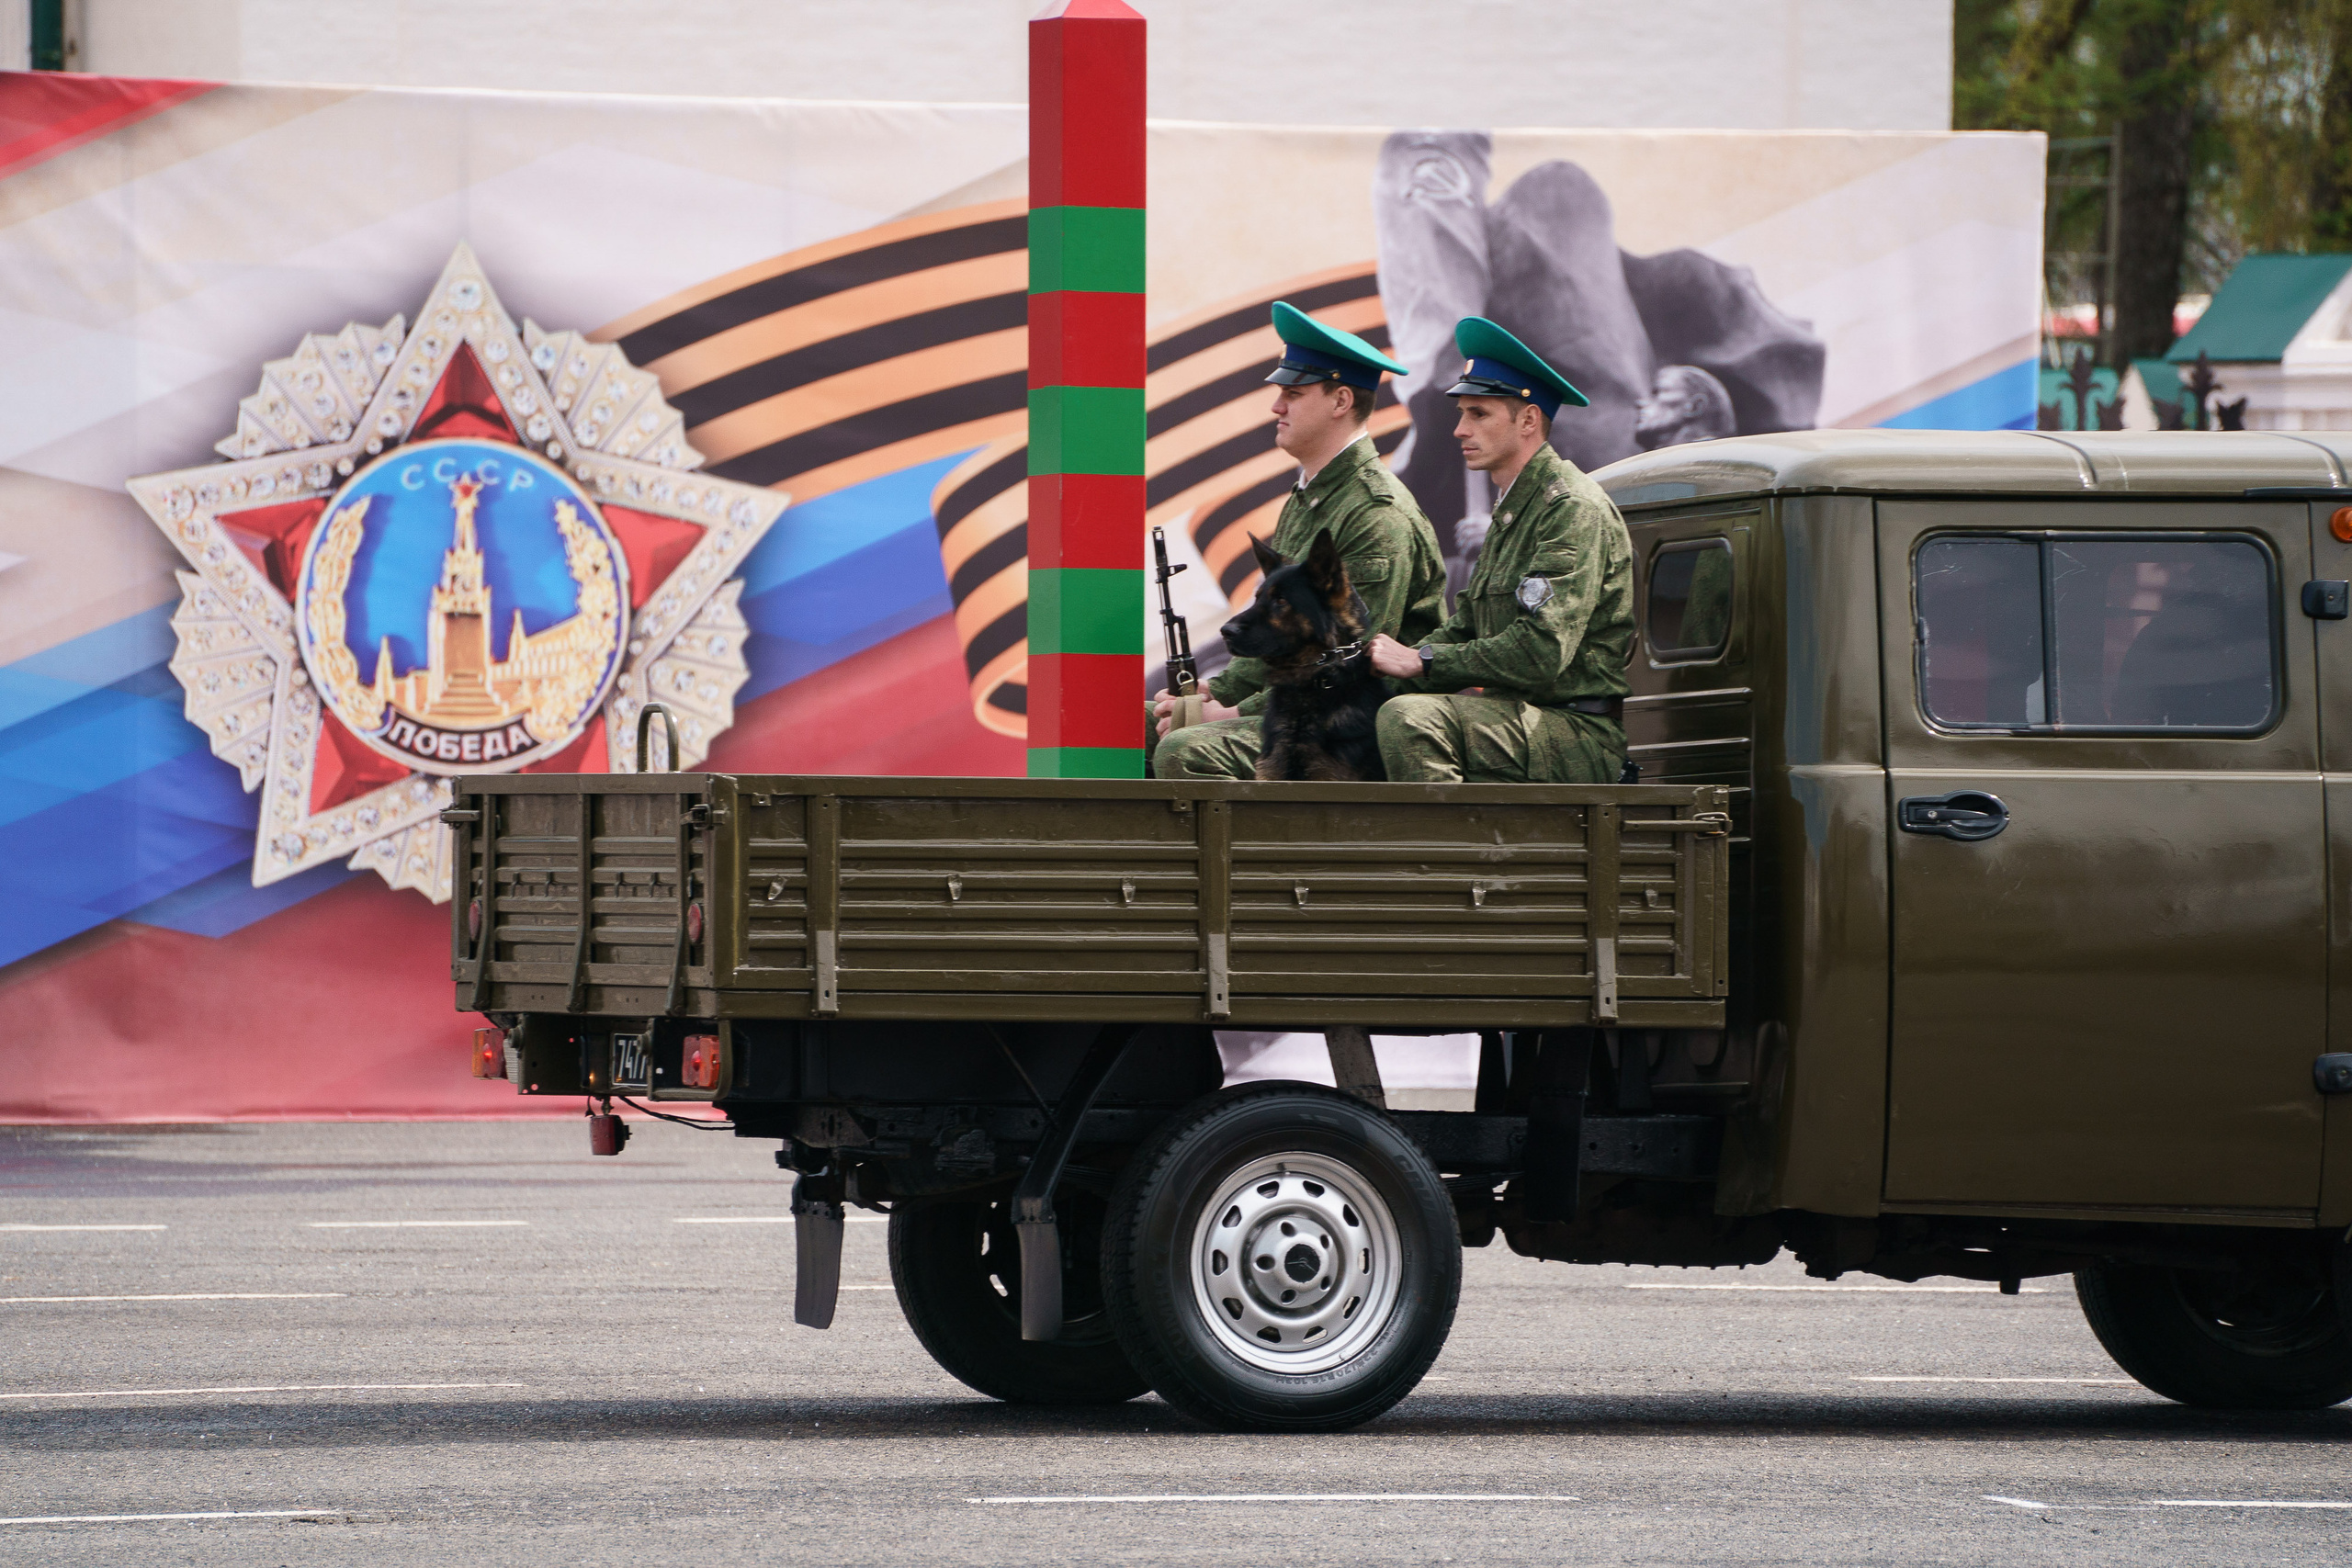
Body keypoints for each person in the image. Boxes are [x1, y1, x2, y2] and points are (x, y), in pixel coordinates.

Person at [1151, 301, 1447, 780]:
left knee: (1185, 750)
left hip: (1349, 725)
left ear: (1341, 402)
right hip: (1301, 707)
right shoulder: (1309, 498)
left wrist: (1231, 714)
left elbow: (1351, 657)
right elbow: (1278, 638)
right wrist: (1215, 693)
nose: (1276, 406)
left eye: (1293, 393)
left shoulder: (1376, 514)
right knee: (1133, 726)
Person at [1365, 316, 1635, 784]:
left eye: (1479, 413)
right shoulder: (1514, 511)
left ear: (1528, 419)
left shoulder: (1571, 508)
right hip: (1523, 722)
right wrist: (1378, 671)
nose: (1460, 430)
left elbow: (1540, 652)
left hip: (1576, 733)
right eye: (1461, 414)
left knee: (1410, 720)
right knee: (1370, 711)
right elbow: (1467, 627)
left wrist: (1421, 662)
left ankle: (1443, 857)